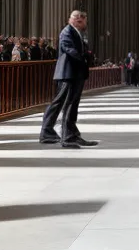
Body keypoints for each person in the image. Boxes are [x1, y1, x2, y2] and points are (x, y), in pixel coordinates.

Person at [38, 10, 97, 149]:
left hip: (74, 73)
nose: (85, 25)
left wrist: (87, 55)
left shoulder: (77, 33)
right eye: (84, 22)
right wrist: (83, 58)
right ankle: (66, 137)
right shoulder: (67, 31)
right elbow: (67, 48)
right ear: (78, 20)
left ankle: (63, 134)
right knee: (66, 104)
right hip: (68, 73)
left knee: (68, 104)